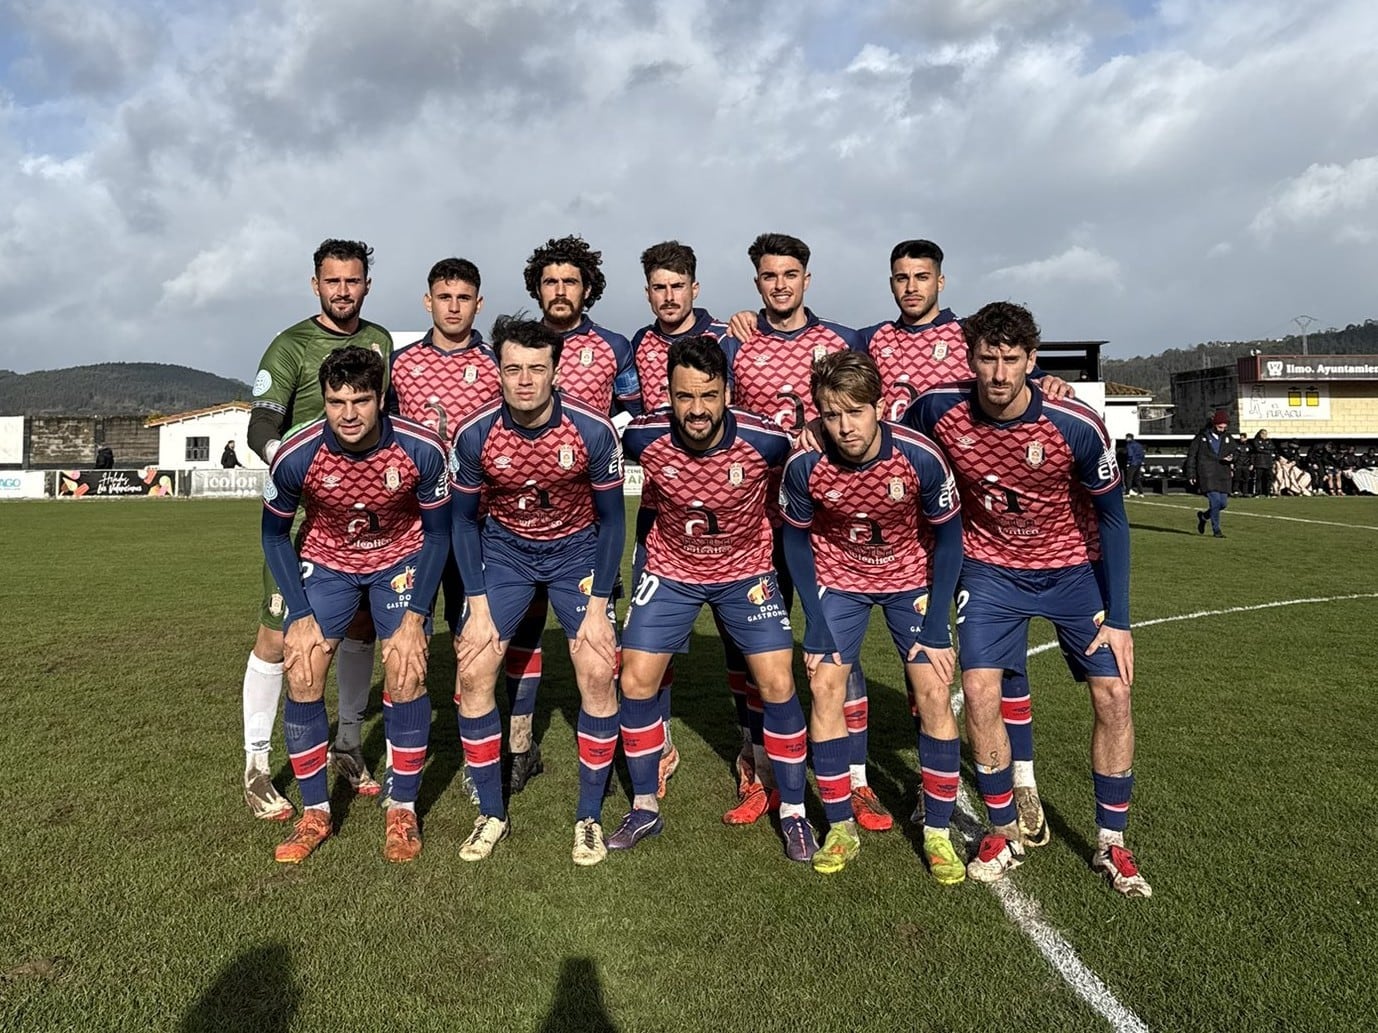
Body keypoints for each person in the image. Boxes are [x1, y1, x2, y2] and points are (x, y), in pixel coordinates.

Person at [905, 301, 1150, 898]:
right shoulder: (939, 409)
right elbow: (892, 440)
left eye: (1011, 360)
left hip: (1073, 571)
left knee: (1114, 694)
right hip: (990, 573)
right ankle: (1002, 829)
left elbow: (1115, 520)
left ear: (1031, 361)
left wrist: (1119, 619)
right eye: (986, 358)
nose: (997, 373)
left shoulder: (1075, 425)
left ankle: (1111, 842)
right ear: (970, 358)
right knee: (982, 691)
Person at [856, 239, 1075, 846]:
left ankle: (1021, 780)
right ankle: (933, 785)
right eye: (899, 277)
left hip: (966, 525)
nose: (909, 287)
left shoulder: (967, 339)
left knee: (998, 666)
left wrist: (1050, 381)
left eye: (920, 277)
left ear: (941, 282)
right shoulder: (870, 339)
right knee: (922, 669)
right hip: (896, 519)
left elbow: (1009, 384)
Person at [609, 336, 815, 861]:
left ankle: (793, 812)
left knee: (776, 680)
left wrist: (813, 431)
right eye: (684, 397)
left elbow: (822, 456)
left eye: (707, 395)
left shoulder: (768, 440)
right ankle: (645, 806)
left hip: (745, 571)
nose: (696, 410)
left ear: (727, 392)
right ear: (668, 395)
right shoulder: (645, 437)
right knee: (635, 677)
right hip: (672, 569)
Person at [722, 234, 890, 832]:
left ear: (807, 279)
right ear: (757, 282)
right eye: (768, 276)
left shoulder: (841, 343)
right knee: (753, 654)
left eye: (790, 274)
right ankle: (760, 769)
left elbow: (885, 407)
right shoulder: (735, 342)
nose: (780, 285)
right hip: (753, 525)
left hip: (825, 527)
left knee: (837, 653)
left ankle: (858, 780)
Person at [260, 346, 450, 864]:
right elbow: (274, 537)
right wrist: (298, 615)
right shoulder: (297, 453)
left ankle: (402, 810)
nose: (348, 413)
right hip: (328, 561)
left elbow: (438, 535)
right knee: (301, 668)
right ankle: (316, 811)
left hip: (401, 560)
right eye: (336, 401)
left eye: (360, 400)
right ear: (324, 400)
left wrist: (415, 618)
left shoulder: (421, 448)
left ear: (381, 397)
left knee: (407, 669)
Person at [781, 352, 966, 881]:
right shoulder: (806, 464)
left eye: (855, 412)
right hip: (840, 581)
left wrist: (936, 625)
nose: (844, 427)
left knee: (933, 690)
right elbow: (795, 540)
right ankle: (840, 825)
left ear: (879, 407)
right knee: (824, 689)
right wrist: (813, 620)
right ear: (819, 414)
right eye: (832, 415)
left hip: (911, 580)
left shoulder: (920, 456)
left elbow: (950, 534)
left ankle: (938, 833)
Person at [449, 316, 626, 866]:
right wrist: (476, 606)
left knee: (597, 669)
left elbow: (614, 522)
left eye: (536, 369)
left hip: (576, 552)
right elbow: (461, 523)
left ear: (555, 370)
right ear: (497, 371)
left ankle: (589, 817)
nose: (524, 380)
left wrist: (598, 606)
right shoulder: (476, 433)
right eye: (513, 369)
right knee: (474, 668)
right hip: (506, 553)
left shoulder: (592, 430)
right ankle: (491, 812)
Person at [242, 239, 394, 821]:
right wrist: (296, 467)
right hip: (307, 509)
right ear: (315, 285)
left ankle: (349, 745)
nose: (342, 291)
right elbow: (261, 425)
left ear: (366, 285)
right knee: (277, 636)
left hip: (365, 515)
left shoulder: (378, 341)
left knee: (360, 627)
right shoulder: (290, 346)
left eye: (352, 281)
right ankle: (257, 767)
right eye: (332, 281)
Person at [496, 237, 639, 795]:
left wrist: (615, 431)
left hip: (585, 516)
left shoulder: (613, 346)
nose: (560, 291)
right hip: (514, 519)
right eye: (550, 281)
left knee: (600, 641)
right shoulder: (516, 347)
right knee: (520, 637)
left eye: (570, 281)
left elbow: (636, 406)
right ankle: (519, 745)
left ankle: (630, 743)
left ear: (587, 288)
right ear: (537, 288)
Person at [628, 241, 761, 813]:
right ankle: (658, 748)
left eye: (677, 286)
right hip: (662, 519)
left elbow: (749, 413)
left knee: (744, 648)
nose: (668, 297)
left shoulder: (730, 336)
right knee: (651, 648)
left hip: (734, 523)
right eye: (658, 287)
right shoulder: (638, 344)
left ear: (695, 289)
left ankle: (752, 751)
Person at [384, 257, 500, 805]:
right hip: (418, 527)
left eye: (464, 297)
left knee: (471, 638)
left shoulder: (498, 362)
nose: (454, 306)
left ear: (479, 303)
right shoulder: (401, 366)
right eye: (444, 297)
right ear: (427, 301)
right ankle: (399, 764)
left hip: (478, 525)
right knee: (406, 639)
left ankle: (476, 764)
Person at [1185, 409, 1236, 538]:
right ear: (1214, 424)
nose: (1222, 429)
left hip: (1223, 474)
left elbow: (1236, 453)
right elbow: (1192, 456)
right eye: (1220, 426)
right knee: (1215, 502)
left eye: (1224, 427)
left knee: (1223, 504)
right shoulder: (1201, 438)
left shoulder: (1228, 438)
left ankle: (1203, 516)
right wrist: (1191, 474)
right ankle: (1216, 530)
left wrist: (1232, 458)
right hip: (1207, 474)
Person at [1251, 429, 1275, 497]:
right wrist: (1267, 449)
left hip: (1268, 463)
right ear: (1260, 434)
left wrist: (1264, 448)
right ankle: (1257, 492)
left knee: (1269, 478)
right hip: (1259, 463)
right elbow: (1258, 449)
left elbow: (1272, 448)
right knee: (1258, 479)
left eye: (1266, 434)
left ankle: (1268, 492)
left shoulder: (1269, 441)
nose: (1265, 435)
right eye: (1263, 434)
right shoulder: (1256, 440)